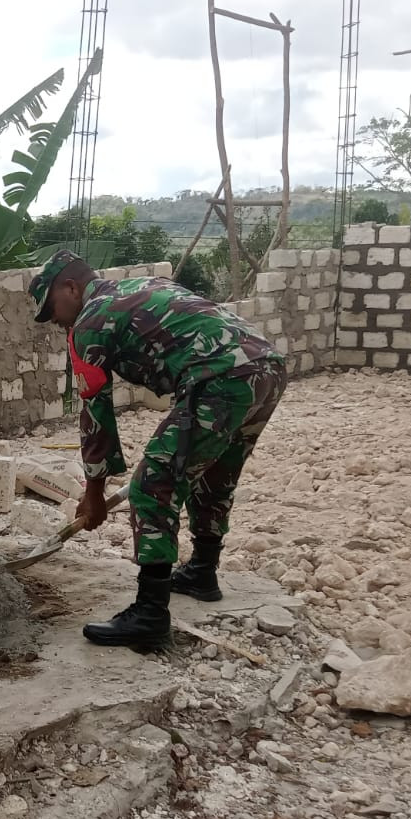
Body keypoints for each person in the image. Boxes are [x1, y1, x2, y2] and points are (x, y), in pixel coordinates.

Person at [27, 250, 288, 653]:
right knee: (213, 473)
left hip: (219, 377)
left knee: (153, 484)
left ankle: (150, 614)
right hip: (265, 367)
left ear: (71, 287)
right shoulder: (139, 287)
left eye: (53, 309)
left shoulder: (91, 320)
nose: (56, 320)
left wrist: (94, 492)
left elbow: (95, 413)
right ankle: (202, 572)